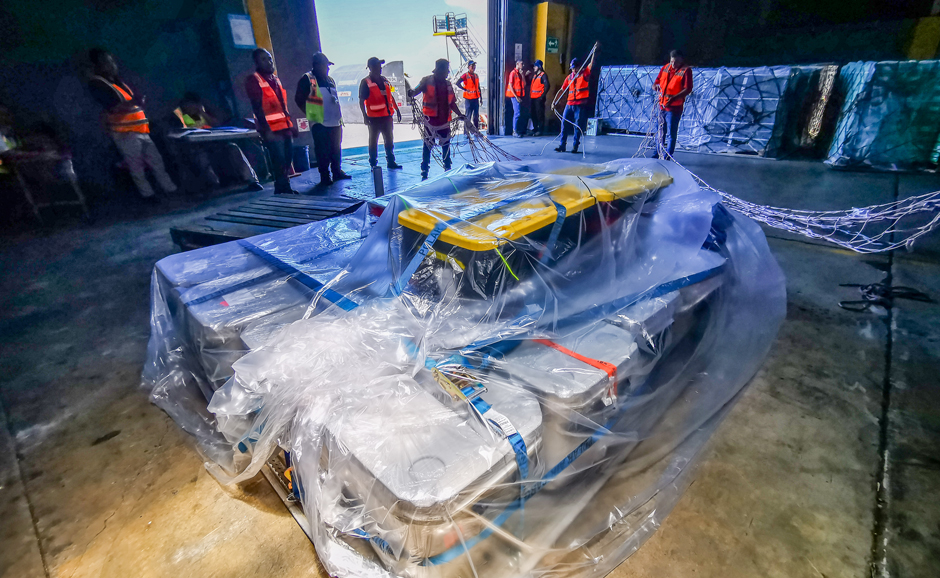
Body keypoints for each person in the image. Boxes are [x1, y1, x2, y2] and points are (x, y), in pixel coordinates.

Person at [88, 48, 177, 200]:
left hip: (141, 130)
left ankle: (170, 191)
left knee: (157, 163)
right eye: (106, 62)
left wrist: (138, 103)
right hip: (125, 133)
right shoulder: (98, 84)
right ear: (98, 65)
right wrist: (133, 104)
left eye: (111, 61)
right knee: (137, 167)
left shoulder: (118, 83)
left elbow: (130, 104)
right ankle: (148, 196)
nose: (111, 65)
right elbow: (112, 108)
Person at [170, 92, 262, 191]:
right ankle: (214, 186)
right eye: (191, 105)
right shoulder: (179, 117)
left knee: (233, 148)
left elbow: (216, 125)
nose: (194, 108)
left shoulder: (200, 114)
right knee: (202, 158)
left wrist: (202, 112)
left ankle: (251, 180)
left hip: (214, 144)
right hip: (195, 148)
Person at [246, 48, 298, 194]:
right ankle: (282, 188)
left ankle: (284, 186)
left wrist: (290, 125)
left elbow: (281, 106)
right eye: (264, 59)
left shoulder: (275, 79)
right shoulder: (254, 80)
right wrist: (266, 130)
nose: (269, 62)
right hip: (271, 129)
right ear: (257, 62)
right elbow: (257, 107)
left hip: (284, 127)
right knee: (278, 160)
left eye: (269, 58)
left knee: (288, 159)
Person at [295, 52, 350, 186]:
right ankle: (325, 176)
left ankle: (337, 172)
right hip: (320, 123)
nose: (328, 68)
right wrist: (311, 114)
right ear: (317, 65)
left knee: (336, 149)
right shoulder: (308, 79)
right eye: (326, 65)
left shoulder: (330, 80)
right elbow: (299, 99)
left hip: (335, 121)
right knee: (322, 150)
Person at [409, 59, 465, 181]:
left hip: (444, 122)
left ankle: (447, 169)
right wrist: (411, 92)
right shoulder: (426, 81)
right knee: (427, 146)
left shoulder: (448, 85)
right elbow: (415, 91)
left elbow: (452, 103)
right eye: (446, 69)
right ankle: (424, 172)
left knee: (446, 146)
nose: (448, 72)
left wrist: (460, 114)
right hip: (430, 122)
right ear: (440, 69)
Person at [358, 57, 403, 171]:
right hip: (374, 119)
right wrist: (364, 116)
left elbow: (390, 96)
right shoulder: (365, 82)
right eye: (378, 65)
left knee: (389, 140)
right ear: (371, 68)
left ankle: (391, 162)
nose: (380, 68)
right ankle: (373, 163)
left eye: (380, 66)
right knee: (373, 141)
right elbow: (361, 100)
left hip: (387, 117)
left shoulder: (384, 80)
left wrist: (397, 110)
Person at [652, 49, 693, 159]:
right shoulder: (665, 68)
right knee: (660, 132)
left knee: (671, 133)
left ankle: (667, 156)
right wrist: (655, 86)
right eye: (672, 62)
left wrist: (674, 98)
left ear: (681, 60)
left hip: (674, 108)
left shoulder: (686, 71)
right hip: (662, 106)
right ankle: (656, 153)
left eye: (675, 62)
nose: (673, 64)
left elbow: (688, 88)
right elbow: (656, 81)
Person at [554, 49, 596, 154]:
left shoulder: (584, 74)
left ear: (579, 67)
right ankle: (562, 145)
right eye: (572, 68)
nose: (573, 70)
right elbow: (562, 90)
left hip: (580, 104)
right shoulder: (569, 78)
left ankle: (575, 146)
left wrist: (593, 52)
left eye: (575, 68)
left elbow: (591, 64)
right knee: (564, 123)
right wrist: (554, 101)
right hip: (569, 104)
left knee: (577, 125)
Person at [456, 60, 481, 130]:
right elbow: (457, 83)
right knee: (468, 116)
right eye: (472, 66)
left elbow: (478, 86)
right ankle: (466, 132)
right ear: (469, 67)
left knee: (476, 116)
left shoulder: (476, 75)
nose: (473, 67)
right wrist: (464, 89)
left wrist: (480, 97)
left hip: (475, 98)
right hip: (468, 99)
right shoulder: (465, 75)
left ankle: (476, 131)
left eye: (474, 66)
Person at [505, 60, 527, 137]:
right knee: (517, 113)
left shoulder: (519, 74)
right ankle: (514, 131)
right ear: (517, 64)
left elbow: (524, 84)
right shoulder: (513, 73)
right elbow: (510, 85)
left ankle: (516, 130)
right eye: (522, 63)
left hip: (519, 96)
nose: (523, 65)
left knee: (518, 113)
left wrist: (523, 75)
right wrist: (516, 97)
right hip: (515, 96)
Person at [530, 60, 550, 136]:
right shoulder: (535, 75)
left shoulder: (543, 75)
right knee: (533, 114)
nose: (534, 68)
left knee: (540, 114)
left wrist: (542, 96)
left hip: (539, 99)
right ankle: (535, 129)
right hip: (533, 98)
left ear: (539, 67)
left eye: (535, 66)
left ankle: (540, 130)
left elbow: (547, 86)